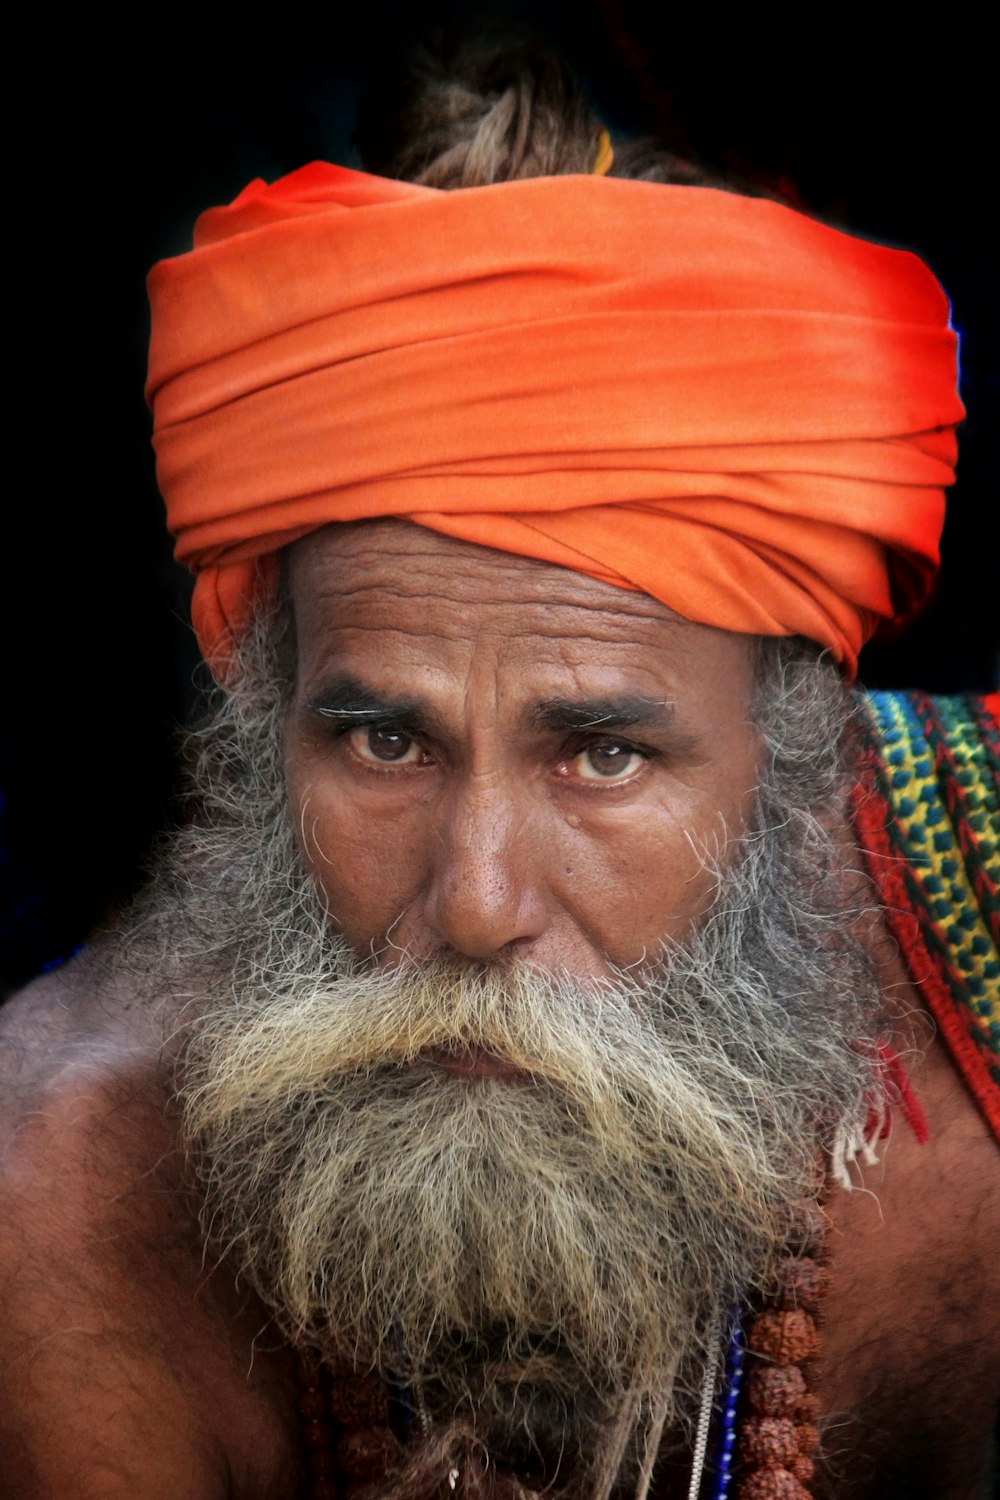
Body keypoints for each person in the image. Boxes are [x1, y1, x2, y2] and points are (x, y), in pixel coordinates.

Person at [1, 43, 997, 1500]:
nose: (474, 906)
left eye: (601, 753)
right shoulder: (64, 1196)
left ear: (798, 753)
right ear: (264, 722)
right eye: (384, 740)